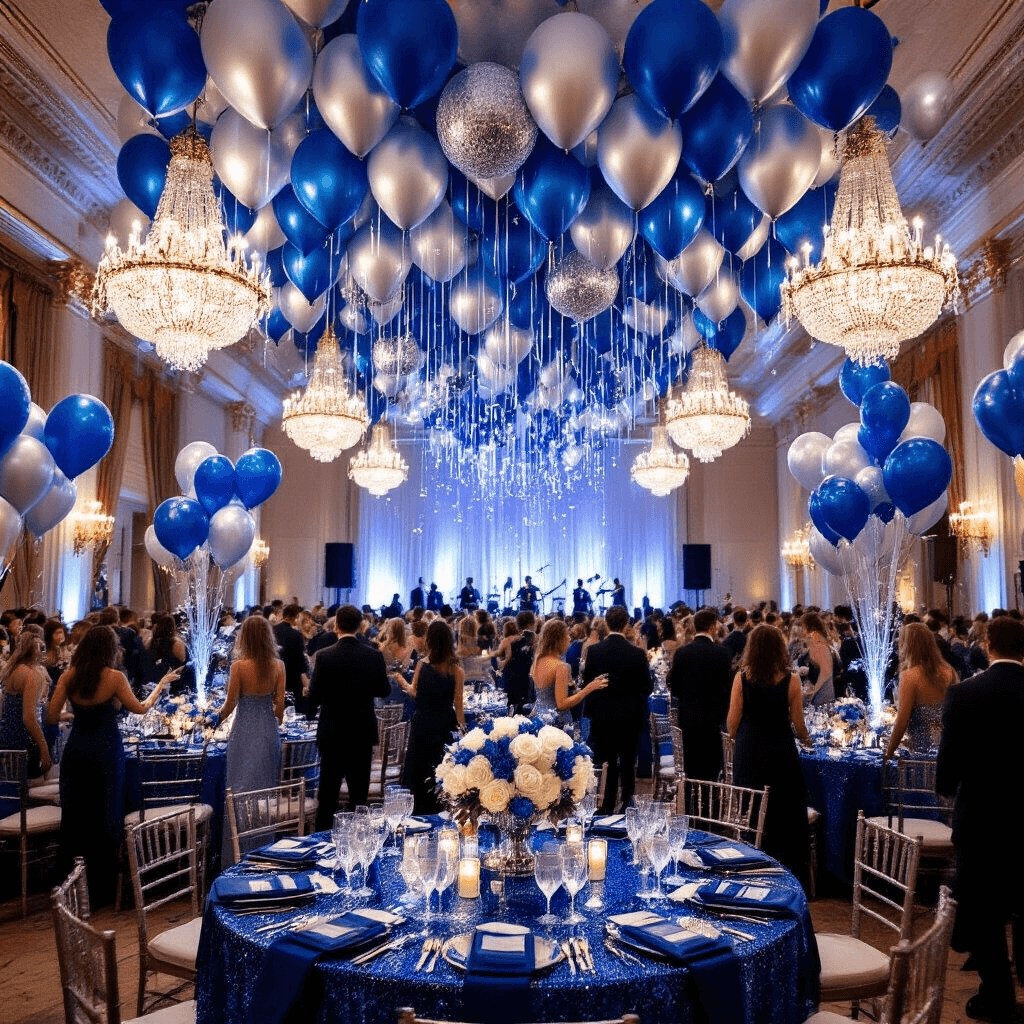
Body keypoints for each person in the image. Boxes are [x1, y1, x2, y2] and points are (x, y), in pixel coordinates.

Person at [46, 625, 177, 904]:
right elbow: (140, 708)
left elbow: (50, 716)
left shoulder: (69, 677)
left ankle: (71, 882)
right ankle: (102, 887)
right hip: (106, 749)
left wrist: (77, 716)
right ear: (109, 649)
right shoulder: (115, 677)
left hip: (77, 750)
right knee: (105, 813)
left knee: (76, 815)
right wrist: (161, 686)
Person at [937, 615, 1024, 1024]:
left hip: (982, 819)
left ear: (988, 646)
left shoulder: (965, 695)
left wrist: (949, 786)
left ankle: (997, 994)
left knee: (986, 911)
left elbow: (948, 770)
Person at [727, 624, 812, 887]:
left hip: (751, 751)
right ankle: (787, 871)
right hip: (781, 751)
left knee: (753, 807)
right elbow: (798, 725)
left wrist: (738, 737)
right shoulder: (792, 679)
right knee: (784, 810)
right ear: (779, 648)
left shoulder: (742, 677)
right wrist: (809, 742)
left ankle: (753, 865)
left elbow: (732, 723)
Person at [306, 605, 391, 830]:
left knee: (327, 798)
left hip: (332, 732)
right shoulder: (373, 655)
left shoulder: (324, 656)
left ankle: (321, 844)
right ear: (360, 626)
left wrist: (312, 707)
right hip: (361, 732)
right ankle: (359, 844)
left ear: (335, 626)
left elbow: (314, 695)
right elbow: (384, 690)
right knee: (358, 799)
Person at [214, 615, 286, 864]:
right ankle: (263, 849)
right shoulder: (278, 666)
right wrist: (273, 719)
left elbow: (231, 704)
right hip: (267, 731)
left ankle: (238, 854)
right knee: (265, 791)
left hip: (244, 731)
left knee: (239, 790)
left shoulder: (239, 667)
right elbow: (280, 709)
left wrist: (214, 722)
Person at [581, 606, 653, 814]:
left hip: (603, 717)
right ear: (626, 624)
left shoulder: (594, 651)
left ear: (606, 623)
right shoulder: (637, 653)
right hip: (630, 717)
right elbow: (647, 687)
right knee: (628, 762)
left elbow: (588, 684)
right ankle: (627, 806)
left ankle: (606, 806)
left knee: (607, 762)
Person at [399, 619, 465, 814]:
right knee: (441, 768)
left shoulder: (422, 664)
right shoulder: (456, 670)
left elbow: (414, 692)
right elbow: (459, 706)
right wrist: (463, 734)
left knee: (420, 769)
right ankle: (441, 810)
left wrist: (400, 680)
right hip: (445, 723)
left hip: (423, 723)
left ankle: (419, 811)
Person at [668, 608, 734, 781]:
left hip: (689, 719)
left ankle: (691, 806)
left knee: (691, 771)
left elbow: (674, 688)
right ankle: (709, 806)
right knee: (711, 771)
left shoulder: (682, 653)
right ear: (713, 627)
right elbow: (727, 689)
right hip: (714, 720)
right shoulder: (723, 654)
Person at [883, 622, 956, 758]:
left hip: (922, 752)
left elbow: (902, 722)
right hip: (947, 748)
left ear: (908, 645)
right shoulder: (948, 671)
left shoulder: (910, 676)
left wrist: (889, 752)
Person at [531, 618, 608, 724]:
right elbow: (562, 704)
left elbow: (549, 694)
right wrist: (589, 688)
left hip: (539, 719)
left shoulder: (538, 661)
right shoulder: (560, 667)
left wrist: (587, 685)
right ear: (559, 639)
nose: (569, 639)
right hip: (557, 722)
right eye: (567, 635)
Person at [0, 628, 52, 779]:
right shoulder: (32, 675)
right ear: (37, 651)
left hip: (6, 737)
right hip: (23, 741)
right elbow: (29, 717)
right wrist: (44, 748)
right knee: (26, 787)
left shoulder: (11, 670)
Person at [274, 603, 308, 714]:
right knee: (293, 711)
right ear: (296, 617)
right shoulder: (296, 634)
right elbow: (300, 661)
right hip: (292, 676)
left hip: (274, 674)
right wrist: (305, 682)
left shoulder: (272, 630)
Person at [503, 611, 536, 715]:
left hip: (511, 678)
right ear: (530, 624)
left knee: (512, 709)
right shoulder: (532, 639)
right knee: (524, 712)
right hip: (525, 680)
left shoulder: (511, 639)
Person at [800, 611, 835, 706]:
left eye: (803, 627)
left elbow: (826, 672)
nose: (802, 631)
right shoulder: (817, 642)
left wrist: (813, 692)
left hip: (822, 697)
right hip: (821, 695)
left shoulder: (819, 644)